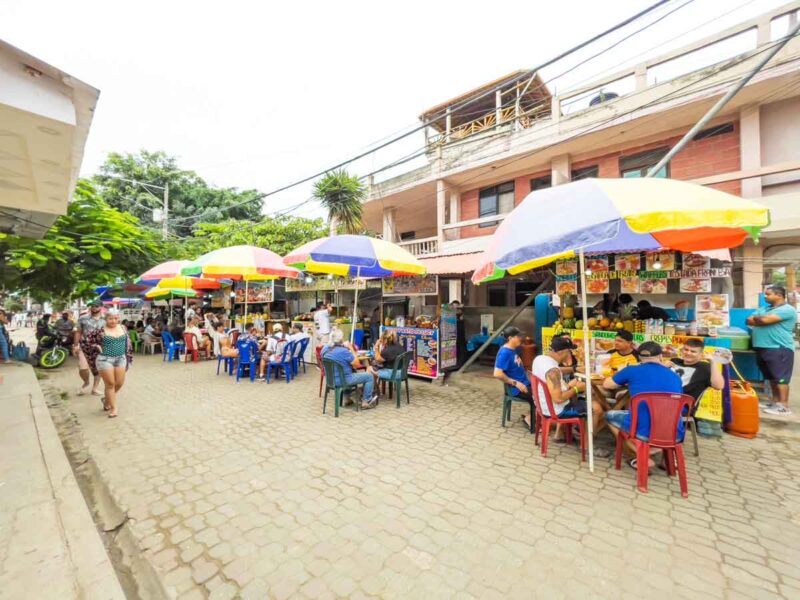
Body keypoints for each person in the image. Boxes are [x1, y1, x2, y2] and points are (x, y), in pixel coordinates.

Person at [602, 341, 683, 469]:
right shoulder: (675, 376)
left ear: (639, 357)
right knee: (651, 414)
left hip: (642, 429)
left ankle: (640, 454)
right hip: (673, 429)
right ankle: (663, 455)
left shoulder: (632, 370)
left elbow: (607, 384)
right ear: (660, 356)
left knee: (608, 416)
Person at [532, 336, 607, 449]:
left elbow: (556, 370)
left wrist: (574, 369)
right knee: (597, 409)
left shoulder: (540, 359)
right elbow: (558, 399)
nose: (570, 354)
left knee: (572, 387)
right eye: (569, 351)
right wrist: (577, 389)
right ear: (562, 352)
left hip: (542, 405)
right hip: (557, 410)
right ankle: (587, 446)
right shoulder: (553, 371)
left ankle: (561, 434)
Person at [748, 285, 797, 416]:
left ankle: (784, 406)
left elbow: (763, 320)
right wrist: (762, 319)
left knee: (781, 378)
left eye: (768, 294)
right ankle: (775, 402)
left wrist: (760, 318)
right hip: (763, 347)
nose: (765, 296)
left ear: (779, 295)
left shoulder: (787, 309)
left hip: (779, 348)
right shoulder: (765, 308)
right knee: (770, 377)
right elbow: (748, 320)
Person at [85, 311, 132, 418]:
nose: (113, 321)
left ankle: (107, 400)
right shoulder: (100, 330)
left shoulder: (123, 328)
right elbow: (87, 340)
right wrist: (96, 346)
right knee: (110, 384)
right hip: (105, 359)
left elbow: (128, 342)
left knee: (119, 383)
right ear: (105, 319)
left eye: (115, 318)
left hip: (121, 358)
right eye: (110, 319)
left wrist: (128, 354)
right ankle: (114, 408)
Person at [321, 329, 377, 409]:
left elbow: (331, 348)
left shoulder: (325, 349)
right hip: (344, 380)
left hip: (330, 380)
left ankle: (347, 398)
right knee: (369, 376)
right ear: (341, 339)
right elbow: (357, 364)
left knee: (350, 370)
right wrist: (351, 348)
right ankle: (366, 401)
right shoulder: (344, 351)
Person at [74, 303, 104, 396]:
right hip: (84, 346)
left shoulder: (106, 319)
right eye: (93, 306)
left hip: (100, 347)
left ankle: (94, 389)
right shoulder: (83, 318)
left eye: (97, 306)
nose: (94, 308)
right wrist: (75, 345)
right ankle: (86, 382)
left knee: (98, 369)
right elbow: (78, 332)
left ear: (101, 307)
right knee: (82, 367)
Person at [451, 300, 467, 369]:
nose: (455, 309)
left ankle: (460, 365)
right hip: (453, 334)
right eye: (454, 307)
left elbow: (462, 307)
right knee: (455, 349)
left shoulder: (461, 313)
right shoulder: (450, 314)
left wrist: (459, 307)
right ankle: (456, 364)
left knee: (461, 348)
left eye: (456, 307)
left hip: (460, 334)